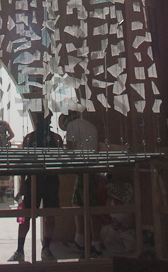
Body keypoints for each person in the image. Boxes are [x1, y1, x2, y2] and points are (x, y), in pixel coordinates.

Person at [8, 112, 63, 262]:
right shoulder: (30, 138)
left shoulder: (55, 138)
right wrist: (24, 183)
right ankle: (21, 250)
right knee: (26, 216)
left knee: (49, 216)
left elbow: (59, 162)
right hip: (35, 180)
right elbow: (23, 164)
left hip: (49, 181)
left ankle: (45, 248)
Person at [63, 110, 101, 258]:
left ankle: (95, 244)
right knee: (77, 202)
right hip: (92, 167)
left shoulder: (72, 126)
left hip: (84, 167)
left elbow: (70, 148)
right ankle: (80, 239)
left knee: (90, 206)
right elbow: (96, 148)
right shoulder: (91, 126)